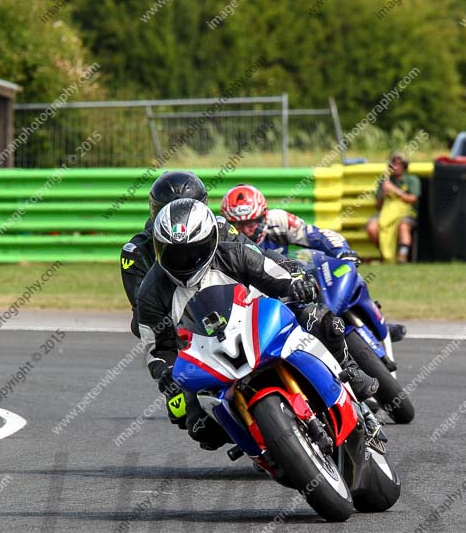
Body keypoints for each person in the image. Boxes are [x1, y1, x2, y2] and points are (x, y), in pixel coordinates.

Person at [137, 199, 378, 449]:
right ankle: (257, 438)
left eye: (192, 250)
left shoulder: (232, 253)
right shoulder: (151, 291)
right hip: (206, 354)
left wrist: (294, 283)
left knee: (322, 320)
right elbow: (156, 348)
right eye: (173, 253)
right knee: (195, 424)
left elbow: (271, 272)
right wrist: (165, 371)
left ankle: (348, 370)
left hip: (259, 322)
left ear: (209, 241)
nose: (184, 260)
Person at [120, 171, 208, 336]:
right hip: (176, 334)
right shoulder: (137, 250)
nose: (178, 222)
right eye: (168, 212)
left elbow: (258, 261)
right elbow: (144, 315)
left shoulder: (220, 231)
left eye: (184, 212)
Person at [220, 184, 361, 264]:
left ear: (263, 217)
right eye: (238, 224)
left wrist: (341, 252)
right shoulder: (223, 237)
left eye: (250, 223)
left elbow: (317, 236)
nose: (246, 230)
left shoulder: (278, 220)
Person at [366, 152, 421, 263]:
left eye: (399, 164)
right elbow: (378, 206)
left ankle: (402, 256)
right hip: (386, 213)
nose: (395, 166)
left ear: (404, 166)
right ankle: (385, 254)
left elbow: (412, 199)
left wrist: (395, 190)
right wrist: (383, 194)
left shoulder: (412, 180)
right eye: (393, 164)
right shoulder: (384, 181)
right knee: (372, 227)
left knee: (403, 227)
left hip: (406, 213)